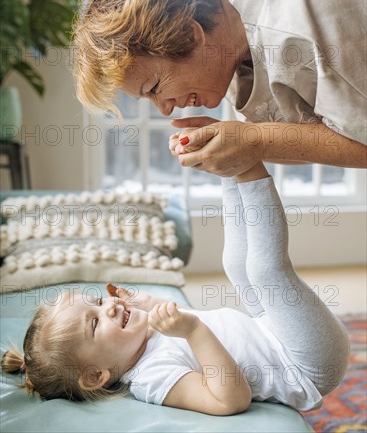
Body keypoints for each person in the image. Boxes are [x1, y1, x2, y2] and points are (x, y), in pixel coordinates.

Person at [1, 161, 350, 414]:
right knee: (265, 271)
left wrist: (143, 302)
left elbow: (164, 316)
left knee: (235, 263)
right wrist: (194, 331)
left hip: (267, 329)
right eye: (95, 322)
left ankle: (228, 169)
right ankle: (249, 165)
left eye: (94, 301)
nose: (106, 306)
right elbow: (229, 400)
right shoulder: (151, 379)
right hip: (305, 365)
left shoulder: (144, 333)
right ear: (95, 375)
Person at [72, 0, 367, 175]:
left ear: (188, 33)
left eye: (154, 87)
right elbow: (326, 136)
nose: (165, 108)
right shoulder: (225, 43)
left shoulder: (303, 4)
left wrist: (255, 141)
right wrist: (236, 142)